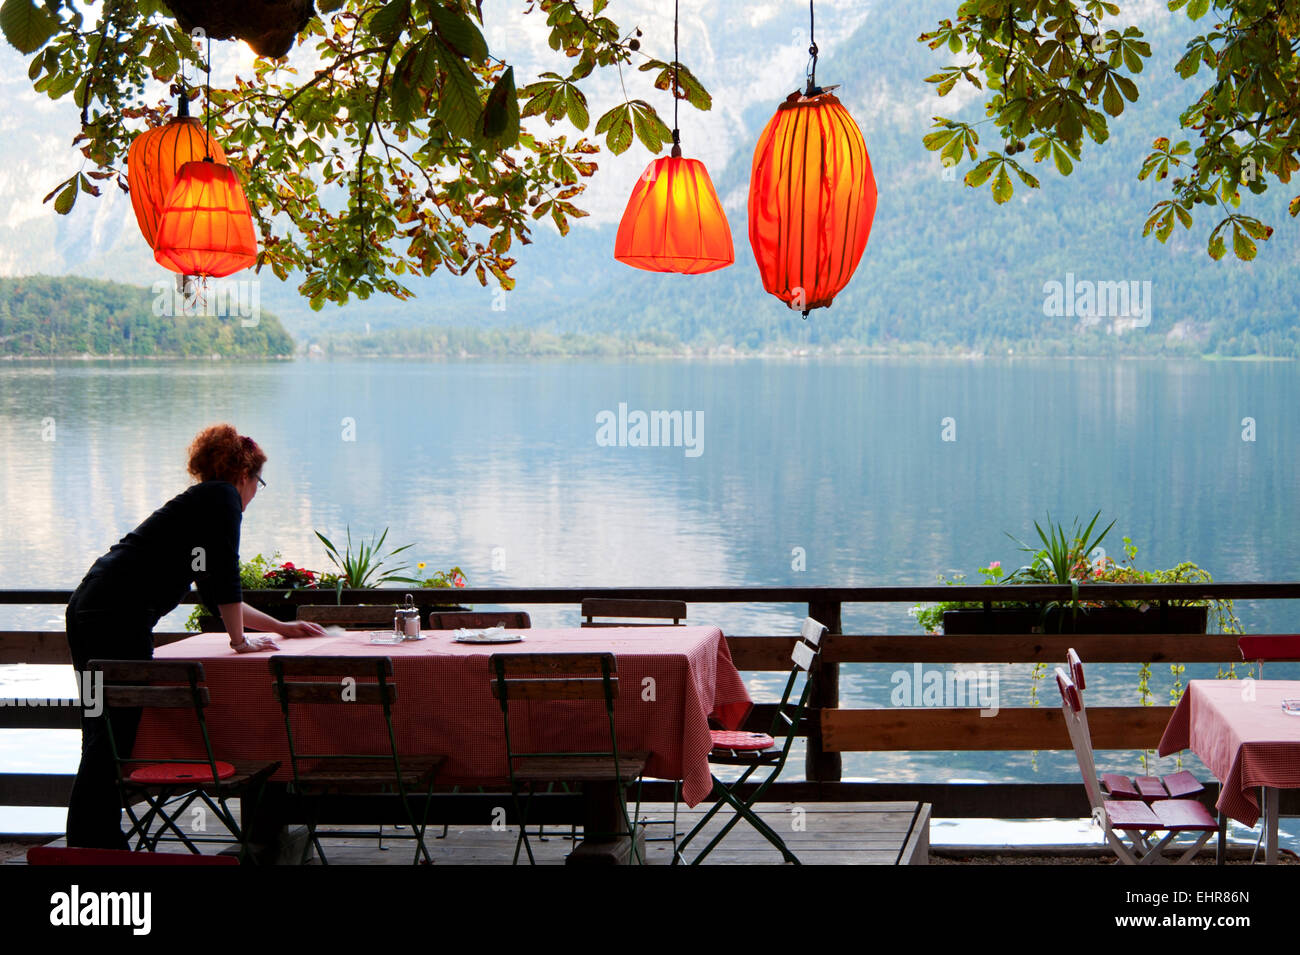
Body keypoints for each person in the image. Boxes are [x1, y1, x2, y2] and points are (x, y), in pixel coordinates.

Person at [63, 423, 325, 849]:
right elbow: (224, 579)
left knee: (100, 728)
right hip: (115, 623)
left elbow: (215, 591)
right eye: (259, 482)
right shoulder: (222, 500)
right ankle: (95, 845)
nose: (257, 492)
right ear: (245, 475)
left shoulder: (200, 502)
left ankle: (93, 841)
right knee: (112, 732)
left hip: (87, 614)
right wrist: (239, 642)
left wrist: (280, 628)